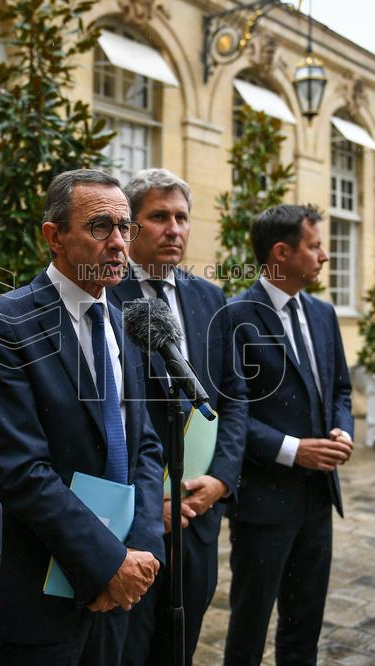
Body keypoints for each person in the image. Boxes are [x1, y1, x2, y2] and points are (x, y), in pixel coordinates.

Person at [0, 169, 165, 666]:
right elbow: (21, 469)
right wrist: (104, 562)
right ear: (54, 237)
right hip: (43, 592)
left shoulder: (126, 322)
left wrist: (138, 553)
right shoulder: (6, 323)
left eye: (127, 228)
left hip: (122, 585)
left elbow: (144, 447)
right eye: (102, 227)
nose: (120, 242)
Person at [107, 168, 248, 665]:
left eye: (182, 218)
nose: (174, 229)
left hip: (199, 515)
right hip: (133, 526)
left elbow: (233, 396)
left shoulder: (209, 297)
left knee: (180, 649)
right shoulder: (103, 294)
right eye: (159, 217)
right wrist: (153, 503)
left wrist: (221, 480)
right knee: (130, 650)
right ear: (130, 227)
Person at [223, 205, 354, 665]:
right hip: (263, 503)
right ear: (282, 252)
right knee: (250, 627)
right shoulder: (235, 316)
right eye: (315, 246)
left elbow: (340, 387)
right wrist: (293, 451)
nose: (324, 256)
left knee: (305, 623)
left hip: (319, 499)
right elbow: (228, 413)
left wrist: (343, 428)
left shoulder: (323, 312)